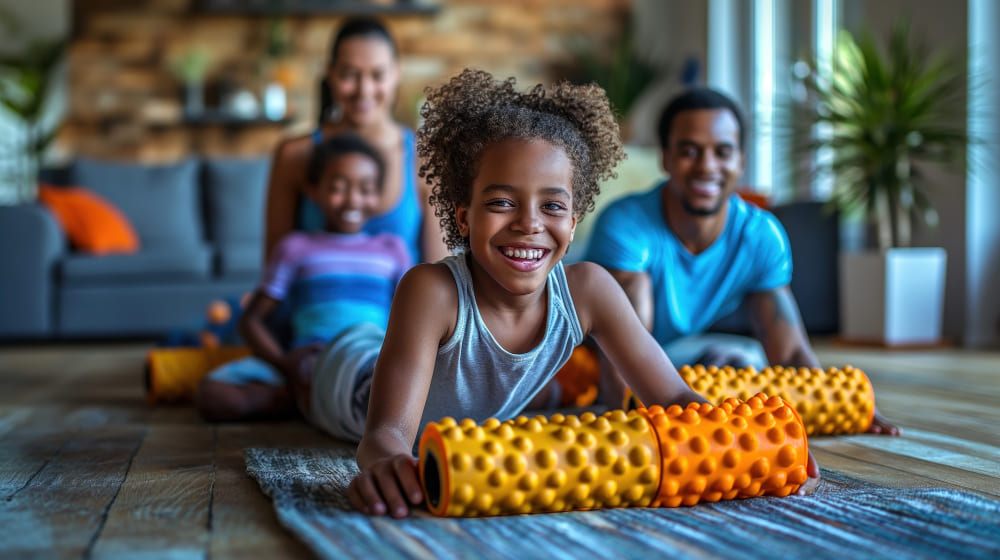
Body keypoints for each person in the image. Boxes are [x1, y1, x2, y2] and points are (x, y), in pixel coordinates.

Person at [306, 69, 821, 518]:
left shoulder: (590, 289)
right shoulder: (432, 290)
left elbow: (677, 400)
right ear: (464, 216)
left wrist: (755, 441)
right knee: (303, 378)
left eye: (552, 207)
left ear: (574, 223)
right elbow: (385, 435)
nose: (529, 225)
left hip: (456, 413)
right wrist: (389, 462)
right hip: (352, 378)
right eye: (502, 202)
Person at [584, 87, 899, 435]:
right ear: (666, 158)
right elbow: (619, 351)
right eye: (689, 151)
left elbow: (790, 352)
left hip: (667, 350)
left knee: (745, 359)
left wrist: (839, 405)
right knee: (633, 292)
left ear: (741, 160)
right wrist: (625, 416)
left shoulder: (760, 235)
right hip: (587, 351)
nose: (707, 166)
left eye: (722, 152)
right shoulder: (626, 224)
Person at [194, 133, 411, 421]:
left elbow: (412, 319)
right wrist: (284, 364)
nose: (353, 199)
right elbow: (251, 320)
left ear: (378, 195)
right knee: (214, 395)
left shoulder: (391, 250)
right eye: (338, 187)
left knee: (388, 387)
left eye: (365, 189)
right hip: (308, 362)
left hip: (369, 360)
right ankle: (311, 400)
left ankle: (318, 403)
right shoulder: (296, 248)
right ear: (313, 191)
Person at [263, 16, 447, 266]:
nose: (364, 90)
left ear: (396, 73)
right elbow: (274, 269)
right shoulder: (295, 155)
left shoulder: (427, 160)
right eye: (350, 74)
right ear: (330, 74)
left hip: (402, 306)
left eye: (378, 75)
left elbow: (440, 273)